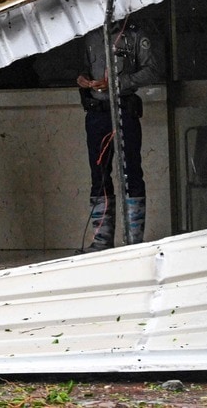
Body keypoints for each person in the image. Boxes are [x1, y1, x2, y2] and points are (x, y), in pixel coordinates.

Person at [76, 20, 161, 250]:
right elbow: (85, 68)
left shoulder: (135, 35)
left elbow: (152, 70)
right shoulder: (91, 36)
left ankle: (133, 240)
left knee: (131, 172)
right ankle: (102, 241)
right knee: (99, 174)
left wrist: (118, 82)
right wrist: (83, 80)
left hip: (125, 109)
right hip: (96, 113)